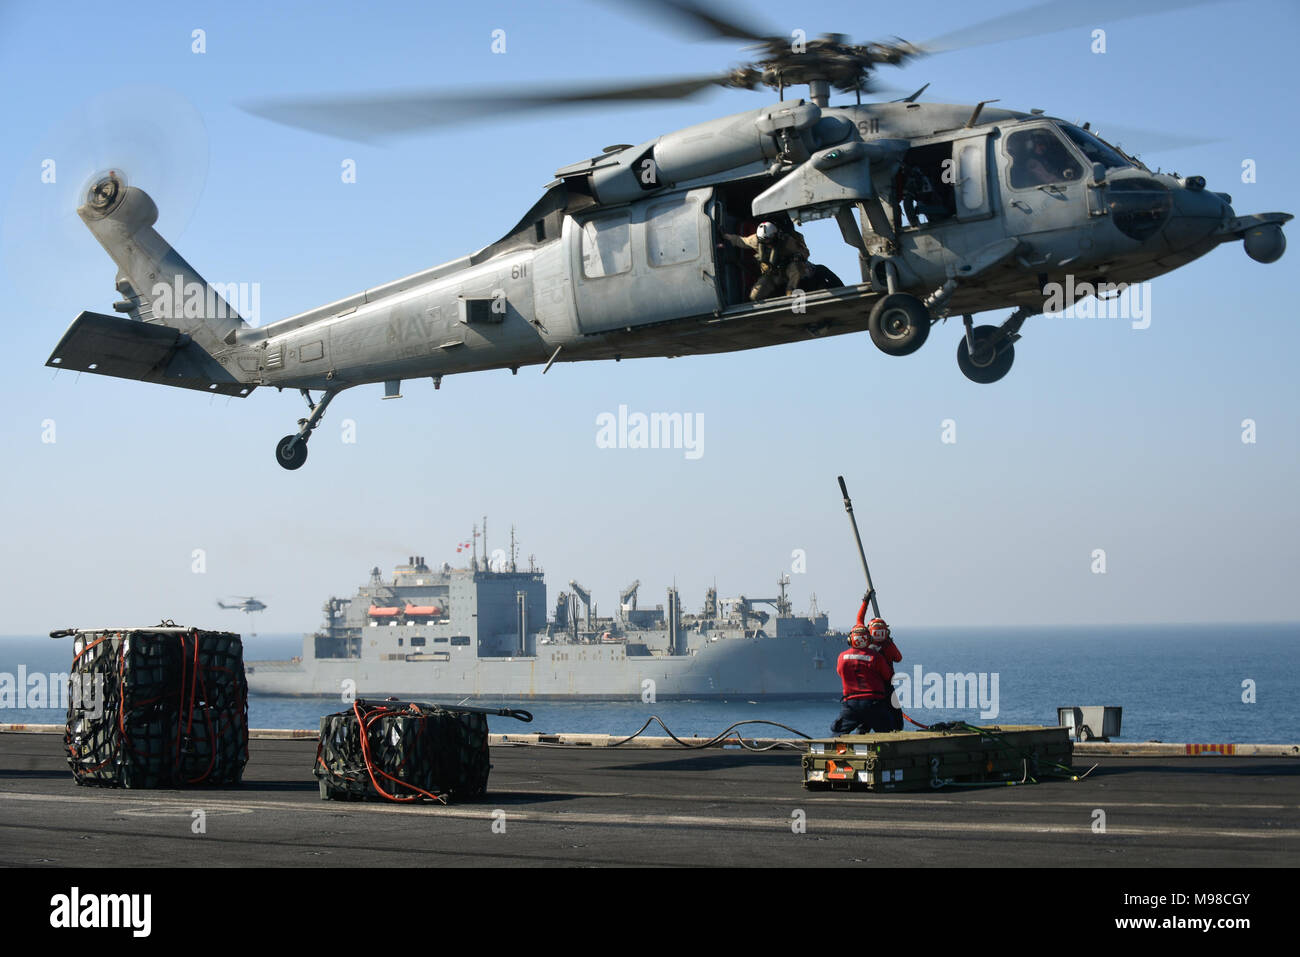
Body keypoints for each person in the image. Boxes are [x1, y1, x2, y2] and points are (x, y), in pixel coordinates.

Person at [831, 590, 903, 735]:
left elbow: (859, 619)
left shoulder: (843, 657)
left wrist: (865, 601)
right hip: (879, 694)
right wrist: (889, 641)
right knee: (892, 724)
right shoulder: (880, 653)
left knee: (842, 732)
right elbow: (896, 662)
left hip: (852, 700)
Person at [721, 219, 815, 302]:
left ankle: (790, 292)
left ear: (775, 235)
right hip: (771, 275)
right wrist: (726, 236)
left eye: (769, 241)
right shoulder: (756, 240)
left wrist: (798, 257)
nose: (767, 244)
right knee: (754, 296)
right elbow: (741, 241)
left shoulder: (787, 242)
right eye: (764, 242)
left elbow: (804, 252)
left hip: (788, 270)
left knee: (795, 269)